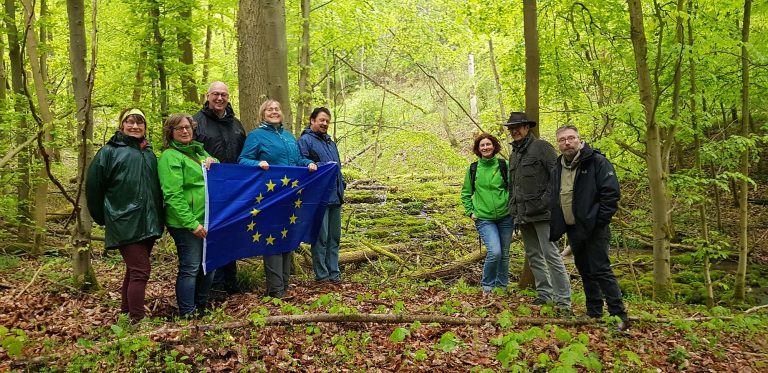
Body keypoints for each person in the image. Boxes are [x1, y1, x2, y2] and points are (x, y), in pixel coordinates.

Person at [86, 108, 163, 323]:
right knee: (141, 271)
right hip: (123, 221)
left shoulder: (148, 153)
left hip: (148, 222)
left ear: (145, 127)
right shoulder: (108, 152)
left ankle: (125, 314)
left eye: (140, 122)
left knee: (133, 270)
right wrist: (104, 218)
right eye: (130, 122)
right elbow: (93, 188)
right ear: (122, 125)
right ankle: (137, 320)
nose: (135, 126)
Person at [550, 125, 629, 330]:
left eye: (571, 138)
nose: (567, 143)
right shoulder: (558, 165)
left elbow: (611, 194)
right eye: (562, 140)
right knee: (585, 269)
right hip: (573, 228)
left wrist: (599, 221)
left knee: (601, 269)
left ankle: (618, 315)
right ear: (558, 143)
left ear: (579, 139)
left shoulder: (596, 161)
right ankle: (594, 311)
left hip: (595, 227)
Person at [239, 99, 317, 299]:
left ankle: (284, 286)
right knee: (272, 240)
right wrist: (258, 163)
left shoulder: (289, 137)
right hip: (270, 197)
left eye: (277, 108)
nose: (274, 111)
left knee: (286, 238)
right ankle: (275, 290)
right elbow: (242, 160)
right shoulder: (256, 136)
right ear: (262, 114)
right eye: (269, 109)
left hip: (291, 197)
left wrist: (308, 163)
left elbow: (298, 160)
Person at [505, 112, 572, 312]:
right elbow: (513, 186)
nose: (514, 131)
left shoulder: (541, 147)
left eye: (518, 127)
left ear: (527, 127)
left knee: (551, 255)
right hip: (523, 215)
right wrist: (514, 209)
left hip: (544, 214)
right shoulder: (514, 154)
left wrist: (545, 203)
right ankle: (545, 294)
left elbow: (557, 176)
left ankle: (563, 302)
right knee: (533, 255)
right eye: (511, 128)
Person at [158, 113, 218, 317]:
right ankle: (187, 311)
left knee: (209, 266)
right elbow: (173, 195)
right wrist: (192, 224)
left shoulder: (199, 151)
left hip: (208, 219)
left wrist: (213, 160)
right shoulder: (169, 157)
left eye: (187, 127)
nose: (185, 131)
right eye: (179, 128)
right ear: (171, 133)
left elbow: (217, 169)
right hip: (185, 223)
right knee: (191, 267)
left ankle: (201, 305)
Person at [193, 81, 246, 295]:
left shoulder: (237, 125)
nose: (220, 98)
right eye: (215, 94)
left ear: (228, 97)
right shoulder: (196, 122)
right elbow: (189, 152)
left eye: (223, 94)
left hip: (234, 191)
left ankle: (230, 283)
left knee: (231, 234)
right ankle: (212, 287)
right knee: (212, 236)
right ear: (207, 96)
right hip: (207, 191)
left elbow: (245, 156)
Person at [460, 134, 513, 295]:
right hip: (484, 218)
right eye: (482, 145)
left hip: (506, 216)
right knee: (495, 251)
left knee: (504, 254)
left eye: (488, 144)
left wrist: (512, 208)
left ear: (494, 146)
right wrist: (470, 212)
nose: (485, 147)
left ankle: (501, 287)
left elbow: (513, 189)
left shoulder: (504, 165)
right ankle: (488, 286)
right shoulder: (473, 168)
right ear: (478, 149)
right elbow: (465, 193)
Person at [298, 107, 346, 284]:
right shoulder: (305, 140)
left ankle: (335, 273)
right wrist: (311, 163)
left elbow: (337, 167)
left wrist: (343, 185)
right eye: (321, 120)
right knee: (321, 238)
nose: (325, 123)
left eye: (327, 121)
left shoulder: (331, 143)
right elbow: (299, 161)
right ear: (312, 121)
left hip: (336, 196)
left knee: (334, 238)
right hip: (319, 197)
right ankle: (322, 276)